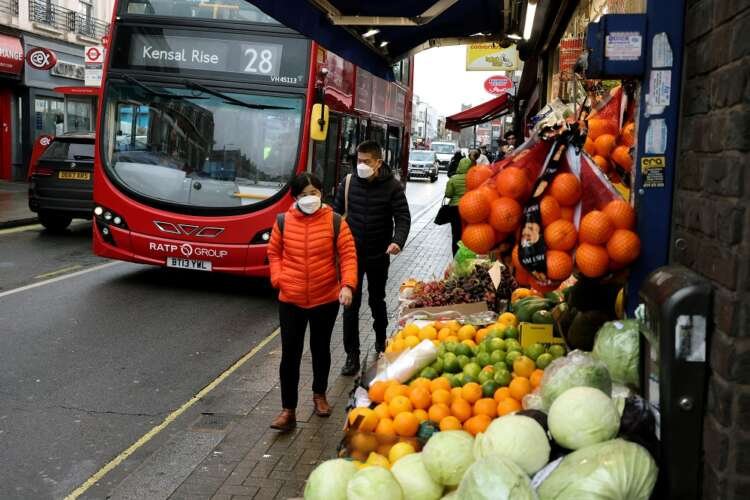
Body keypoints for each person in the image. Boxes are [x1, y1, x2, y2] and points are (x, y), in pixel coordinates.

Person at [267, 173, 358, 431]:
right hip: (291, 300)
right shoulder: (283, 221)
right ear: (295, 197)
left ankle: (320, 395)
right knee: (290, 355)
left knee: (321, 349)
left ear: (322, 193)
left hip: (324, 299)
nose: (310, 198)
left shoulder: (336, 222)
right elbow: (273, 252)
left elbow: (349, 256)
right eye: (304, 194)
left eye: (314, 193)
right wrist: (279, 278)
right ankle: (288, 410)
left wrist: (348, 286)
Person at [333, 140, 411, 375]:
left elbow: (403, 217)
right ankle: (352, 356)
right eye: (359, 160)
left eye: (367, 161)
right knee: (350, 305)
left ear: (378, 162)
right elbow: (335, 216)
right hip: (351, 255)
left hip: (379, 254)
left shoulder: (393, 187)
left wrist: (397, 240)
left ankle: (380, 341)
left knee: (376, 300)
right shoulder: (347, 183)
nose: (361, 165)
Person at [444, 156, 473, 254]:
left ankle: (456, 256)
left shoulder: (453, 179)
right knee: (468, 233)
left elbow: (448, 194)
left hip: (455, 209)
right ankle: (466, 254)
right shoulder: (473, 178)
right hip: (470, 208)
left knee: (456, 234)